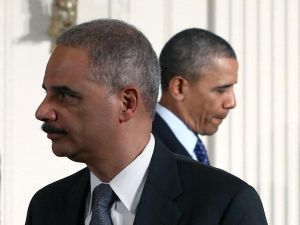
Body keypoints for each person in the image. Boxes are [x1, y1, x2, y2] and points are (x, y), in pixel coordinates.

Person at [25, 19, 267, 225]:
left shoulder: (225, 205)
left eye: (65, 95)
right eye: (47, 93)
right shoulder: (46, 207)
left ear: (127, 103)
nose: (42, 111)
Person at [152, 28, 238, 164]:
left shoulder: (189, 146)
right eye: (221, 90)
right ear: (179, 88)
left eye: (232, 87)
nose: (232, 102)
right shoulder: (145, 148)